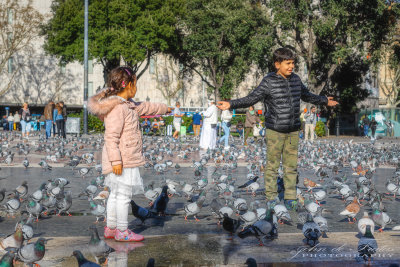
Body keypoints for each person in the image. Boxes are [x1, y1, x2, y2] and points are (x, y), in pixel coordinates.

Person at [217, 47, 338, 210]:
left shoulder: (295, 79)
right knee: (272, 166)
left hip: (293, 130)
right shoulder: (268, 81)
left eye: (293, 63)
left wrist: (324, 100)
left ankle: (290, 197)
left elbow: (307, 95)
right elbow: (252, 98)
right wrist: (231, 103)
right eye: (288, 63)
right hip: (274, 130)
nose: (291, 66)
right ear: (277, 64)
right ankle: (271, 196)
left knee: (291, 166)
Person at [88, 66, 169, 242]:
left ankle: (111, 228)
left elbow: (146, 107)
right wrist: (116, 161)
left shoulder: (128, 105)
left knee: (115, 194)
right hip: (122, 160)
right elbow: (111, 137)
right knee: (123, 195)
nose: (137, 87)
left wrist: (164, 108)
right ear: (129, 84)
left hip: (123, 157)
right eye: (136, 83)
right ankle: (123, 231)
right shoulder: (118, 108)